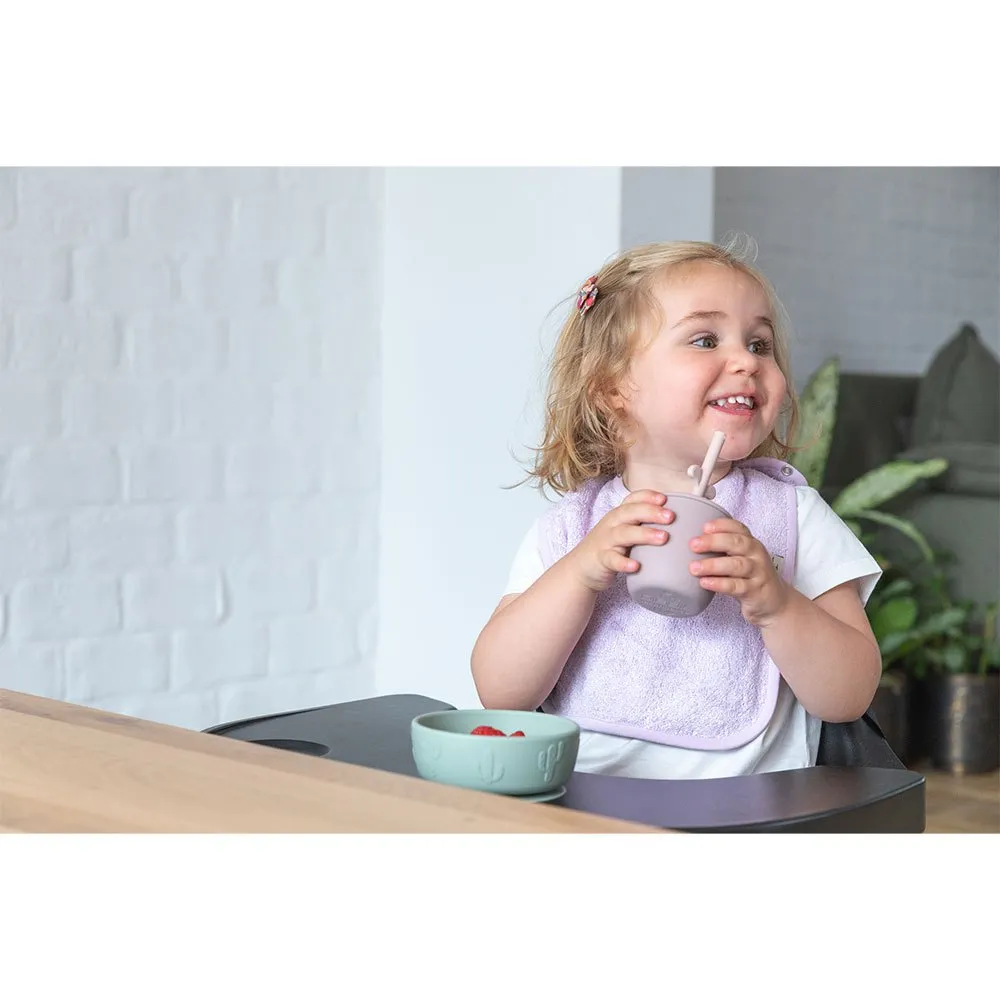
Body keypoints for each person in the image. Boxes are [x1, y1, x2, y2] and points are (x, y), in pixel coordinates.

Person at [470, 238, 883, 780]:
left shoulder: (794, 516)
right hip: (582, 802)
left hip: (745, 810)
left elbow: (849, 695)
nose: (747, 361)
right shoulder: (574, 527)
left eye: (760, 344)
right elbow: (501, 693)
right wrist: (580, 573)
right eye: (706, 339)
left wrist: (776, 604)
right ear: (613, 389)